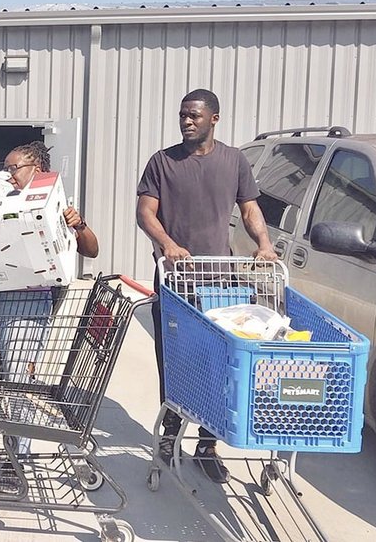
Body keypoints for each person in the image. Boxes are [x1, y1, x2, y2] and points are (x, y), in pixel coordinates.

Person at [136, 89, 277, 484]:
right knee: (175, 361)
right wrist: (167, 244)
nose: (187, 121)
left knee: (216, 365)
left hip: (220, 283)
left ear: (214, 118)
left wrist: (264, 246)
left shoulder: (233, 161)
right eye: (182, 115)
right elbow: (145, 211)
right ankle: (169, 436)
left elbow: (250, 208)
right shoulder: (163, 162)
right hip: (176, 282)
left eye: (194, 115)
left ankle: (207, 444)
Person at [0, 141, 98, 491]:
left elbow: (93, 249)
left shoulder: (52, 205)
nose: (8, 175)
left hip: (27, 301)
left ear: (37, 169)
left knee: (21, 380)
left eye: (13, 168)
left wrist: (78, 225)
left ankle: (16, 458)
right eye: (5, 168)